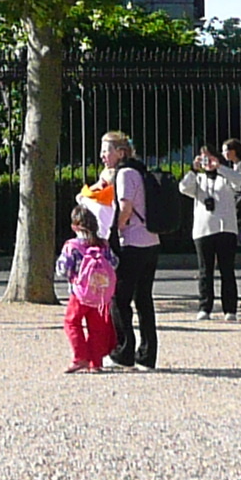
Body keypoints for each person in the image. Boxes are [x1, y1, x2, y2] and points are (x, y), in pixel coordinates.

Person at [82, 130, 160, 371]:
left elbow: (125, 208)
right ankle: (147, 355)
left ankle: (123, 351)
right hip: (151, 241)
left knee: (119, 298)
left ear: (121, 152)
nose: (103, 155)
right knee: (144, 299)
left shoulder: (126, 174)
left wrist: (114, 228)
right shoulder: (140, 170)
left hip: (132, 243)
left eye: (107, 150)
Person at [181, 137, 241, 320]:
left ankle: (230, 309)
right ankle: (205, 307)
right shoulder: (199, 178)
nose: (207, 162)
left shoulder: (225, 177)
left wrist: (219, 167)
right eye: (204, 159)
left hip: (226, 228)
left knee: (227, 270)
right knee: (205, 271)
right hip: (204, 229)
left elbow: (240, 184)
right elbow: (183, 188)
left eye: (209, 157)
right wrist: (193, 169)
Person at [55, 207, 119, 373]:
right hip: (101, 294)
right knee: (97, 328)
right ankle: (95, 362)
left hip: (80, 293)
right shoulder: (103, 244)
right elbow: (114, 263)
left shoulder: (72, 246)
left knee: (72, 322)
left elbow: (63, 269)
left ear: (75, 226)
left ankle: (80, 357)